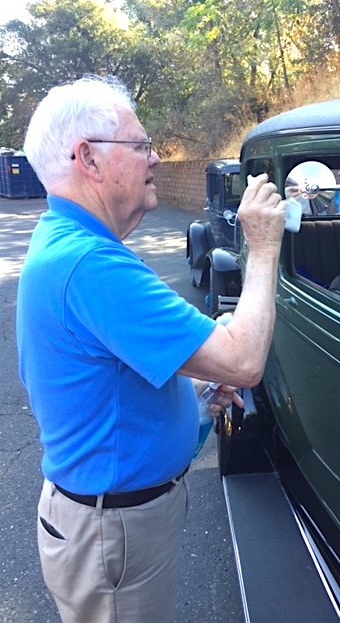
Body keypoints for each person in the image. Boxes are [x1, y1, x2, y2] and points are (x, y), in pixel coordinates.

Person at [16, 75, 286, 623]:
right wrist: (262, 246)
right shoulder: (91, 265)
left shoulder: (70, 244)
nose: (156, 157)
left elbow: (111, 388)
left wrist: (198, 393)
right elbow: (244, 360)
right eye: (140, 145)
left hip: (112, 526)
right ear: (88, 158)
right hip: (114, 534)